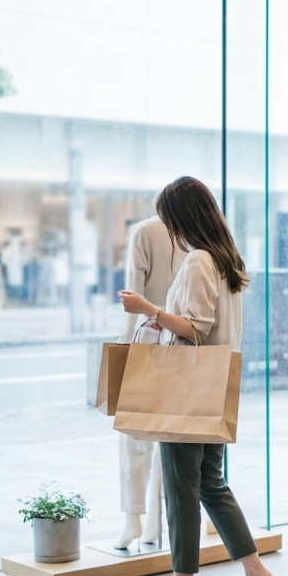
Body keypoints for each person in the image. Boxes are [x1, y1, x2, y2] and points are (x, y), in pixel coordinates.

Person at [118, 176, 278, 576]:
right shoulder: (226, 260)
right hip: (216, 384)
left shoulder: (197, 262)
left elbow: (195, 328)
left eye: (169, 219)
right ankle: (255, 572)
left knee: (181, 487)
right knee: (209, 483)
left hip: (188, 389)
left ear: (181, 218)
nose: (168, 228)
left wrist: (148, 309)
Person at [114, 216, 187, 550]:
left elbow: (133, 297)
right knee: (170, 438)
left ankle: (134, 518)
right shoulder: (201, 232)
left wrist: (125, 347)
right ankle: (155, 522)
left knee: (133, 435)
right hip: (185, 344)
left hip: (148, 341)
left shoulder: (144, 231)